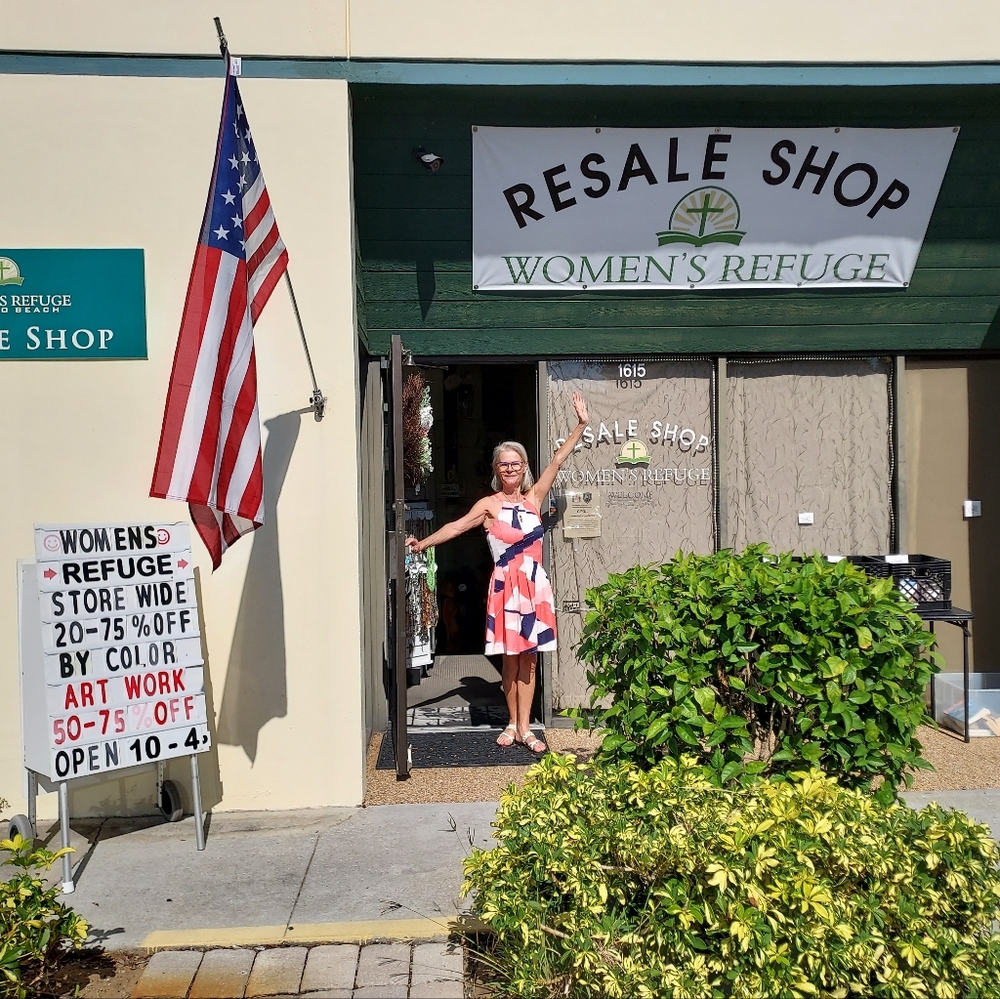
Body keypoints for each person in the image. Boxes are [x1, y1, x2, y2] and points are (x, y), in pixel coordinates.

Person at [406, 391, 590, 753]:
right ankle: (511, 723)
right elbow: (456, 527)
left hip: (535, 587)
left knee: (531, 661)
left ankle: (527, 729)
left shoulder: (534, 498)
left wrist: (581, 425)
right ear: (496, 469)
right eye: (503, 464)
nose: (510, 469)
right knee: (509, 660)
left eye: (516, 463)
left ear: (524, 467)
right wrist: (423, 544)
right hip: (506, 587)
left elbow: (558, 459)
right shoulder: (488, 505)